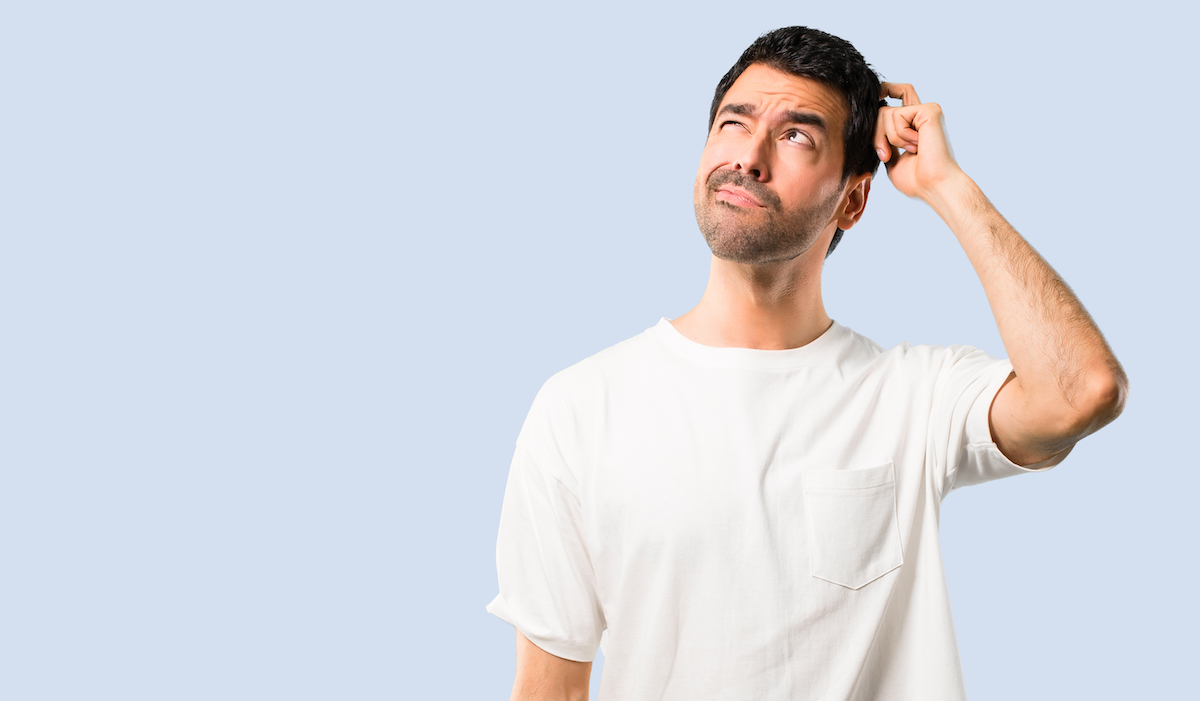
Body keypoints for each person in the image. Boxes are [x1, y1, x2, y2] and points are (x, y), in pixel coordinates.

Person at [486, 26, 1127, 701]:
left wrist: (945, 184)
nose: (750, 157)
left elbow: (1082, 390)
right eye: (734, 123)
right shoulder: (582, 407)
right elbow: (549, 690)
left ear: (852, 199)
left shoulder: (914, 397)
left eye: (796, 135)